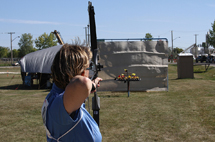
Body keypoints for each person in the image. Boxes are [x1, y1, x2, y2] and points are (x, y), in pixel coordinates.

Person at [41, 44, 102, 142]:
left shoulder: (56, 96)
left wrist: (90, 87)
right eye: (87, 68)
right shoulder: (59, 107)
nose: (88, 73)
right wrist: (92, 85)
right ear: (80, 73)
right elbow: (83, 83)